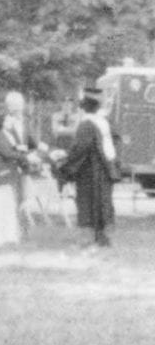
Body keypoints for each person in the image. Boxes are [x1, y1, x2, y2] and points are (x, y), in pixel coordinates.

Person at [57, 87, 116, 248]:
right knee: (102, 203)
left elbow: (80, 149)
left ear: (84, 107)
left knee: (88, 203)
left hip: (90, 170)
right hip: (105, 168)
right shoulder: (104, 122)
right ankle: (102, 238)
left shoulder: (87, 124)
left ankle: (88, 240)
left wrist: (65, 164)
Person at [0, 111, 30, 246]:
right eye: (8, 121)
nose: (12, 123)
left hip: (8, 177)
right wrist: (24, 157)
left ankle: (10, 237)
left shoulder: (9, 136)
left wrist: (25, 157)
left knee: (8, 208)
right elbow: (7, 153)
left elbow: (16, 151)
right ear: (1, 122)